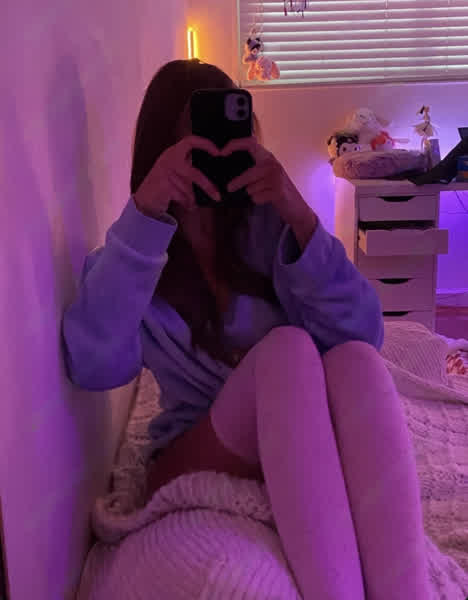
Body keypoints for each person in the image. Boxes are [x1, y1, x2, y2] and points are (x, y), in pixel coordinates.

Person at [62, 59, 431, 600]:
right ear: (162, 154)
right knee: (287, 349)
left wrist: (297, 213)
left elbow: (363, 334)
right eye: (195, 147)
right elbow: (95, 366)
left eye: (228, 141)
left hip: (291, 437)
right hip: (196, 449)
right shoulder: (135, 254)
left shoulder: (271, 232)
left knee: (356, 363)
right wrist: (146, 210)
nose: (213, 159)